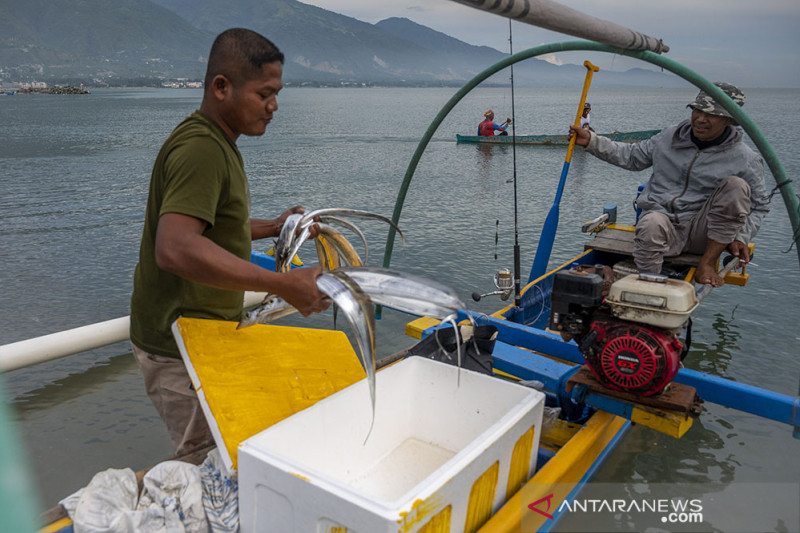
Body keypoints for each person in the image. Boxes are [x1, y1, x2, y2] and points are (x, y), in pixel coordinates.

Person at [129, 28, 330, 456]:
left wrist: (276, 227)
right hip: (179, 349)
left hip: (203, 337)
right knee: (204, 467)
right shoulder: (202, 149)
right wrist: (283, 284)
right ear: (222, 87)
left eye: (277, 94)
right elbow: (176, 247)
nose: (274, 106)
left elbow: (214, 227)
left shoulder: (216, 143)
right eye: (265, 94)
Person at [569, 82, 769, 287]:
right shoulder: (669, 136)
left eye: (711, 114)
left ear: (729, 120)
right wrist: (592, 142)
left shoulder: (745, 158)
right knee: (650, 222)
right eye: (697, 110)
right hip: (661, 228)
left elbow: (759, 205)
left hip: (705, 234)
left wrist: (741, 237)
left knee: (736, 186)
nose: (700, 118)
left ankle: (706, 264)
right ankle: (649, 284)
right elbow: (632, 157)